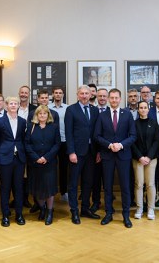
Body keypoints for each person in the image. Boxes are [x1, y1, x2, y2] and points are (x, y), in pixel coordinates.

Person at [94, 88, 137, 228]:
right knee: (107, 186)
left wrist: (121, 145)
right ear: (108, 99)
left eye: (116, 98)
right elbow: (97, 136)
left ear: (120, 99)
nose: (113, 100)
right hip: (107, 155)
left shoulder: (127, 115)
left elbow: (133, 136)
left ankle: (126, 215)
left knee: (125, 186)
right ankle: (108, 213)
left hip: (123, 155)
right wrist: (109, 145)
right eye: (111, 98)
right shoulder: (102, 115)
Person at [65, 85, 100, 224]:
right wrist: (71, 152)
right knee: (73, 183)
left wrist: (98, 152)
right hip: (77, 153)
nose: (85, 96)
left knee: (88, 182)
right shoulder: (71, 109)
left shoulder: (95, 110)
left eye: (87, 93)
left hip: (91, 153)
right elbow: (68, 133)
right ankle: (74, 210)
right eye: (82, 93)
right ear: (77, 95)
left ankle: (85, 209)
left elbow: (98, 132)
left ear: (91, 95)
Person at [0, 96, 27, 227]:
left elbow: (22, 139)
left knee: (19, 187)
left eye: (15, 103)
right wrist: (3, 151)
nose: (13, 105)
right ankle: (5, 215)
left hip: (19, 158)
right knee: (5, 187)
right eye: (11, 103)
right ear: (6, 105)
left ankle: (19, 214)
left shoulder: (23, 121)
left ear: (18, 106)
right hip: (4, 158)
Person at [25, 105, 61, 225]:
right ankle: (42, 208)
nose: (42, 115)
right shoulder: (31, 127)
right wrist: (36, 158)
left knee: (48, 189)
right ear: (36, 115)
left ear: (48, 115)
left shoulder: (54, 127)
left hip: (49, 163)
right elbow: (27, 144)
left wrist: (46, 157)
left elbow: (57, 144)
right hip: (35, 163)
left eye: (44, 113)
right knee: (38, 189)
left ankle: (50, 212)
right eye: (40, 113)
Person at [131, 101, 159, 220]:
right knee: (138, 184)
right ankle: (139, 208)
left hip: (151, 158)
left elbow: (156, 141)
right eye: (140, 108)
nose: (143, 109)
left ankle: (151, 208)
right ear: (138, 110)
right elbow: (131, 141)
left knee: (150, 184)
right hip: (137, 158)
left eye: (145, 108)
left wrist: (148, 156)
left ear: (148, 109)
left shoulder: (154, 123)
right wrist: (140, 157)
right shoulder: (133, 123)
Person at [48, 87, 69, 202]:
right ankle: (50, 192)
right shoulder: (47, 108)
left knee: (63, 168)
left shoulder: (67, 108)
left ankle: (63, 192)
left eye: (60, 93)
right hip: (51, 142)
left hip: (64, 141)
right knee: (50, 168)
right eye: (56, 93)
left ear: (63, 95)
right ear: (53, 94)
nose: (58, 95)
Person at [90, 88, 109, 213]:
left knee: (108, 180)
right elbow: (93, 133)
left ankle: (109, 203)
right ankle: (96, 202)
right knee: (95, 179)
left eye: (104, 96)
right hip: (95, 151)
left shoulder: (112, 111)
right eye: (100, 96)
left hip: (109, 152)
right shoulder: (93, 111)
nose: (102, 98)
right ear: (96, 96)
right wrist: (97, 152)